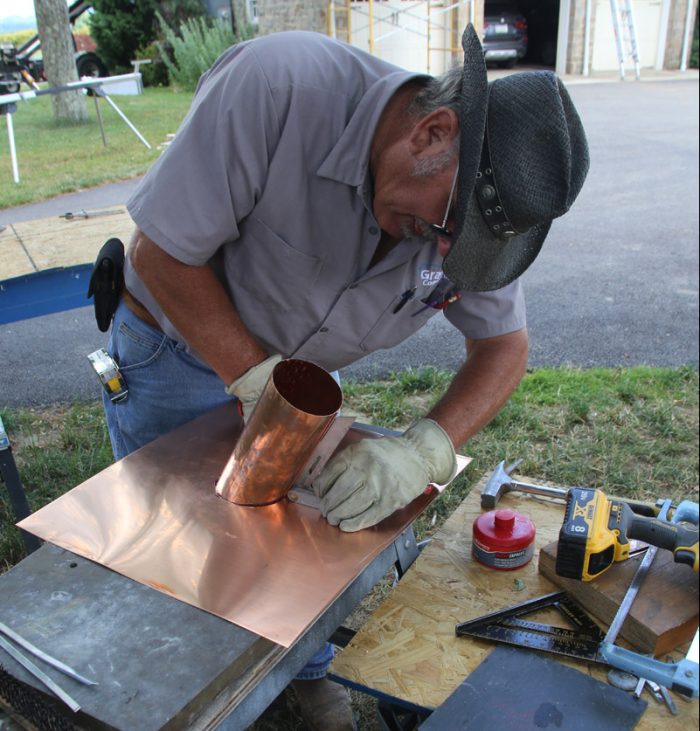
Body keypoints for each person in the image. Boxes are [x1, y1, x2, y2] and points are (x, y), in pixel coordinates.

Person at [101, 24, 589, 731]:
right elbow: (160, 253)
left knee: (287, 540)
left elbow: (505, 346)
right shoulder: (279, 87)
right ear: (432, 133)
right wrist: (254, 379)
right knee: (176, 548)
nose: (447, 252)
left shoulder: (459, 212)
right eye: (447, 225)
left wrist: (426, 445)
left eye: (469, 248)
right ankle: (187, 695)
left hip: (293, 382)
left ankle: (302, 673)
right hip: (174, 347)